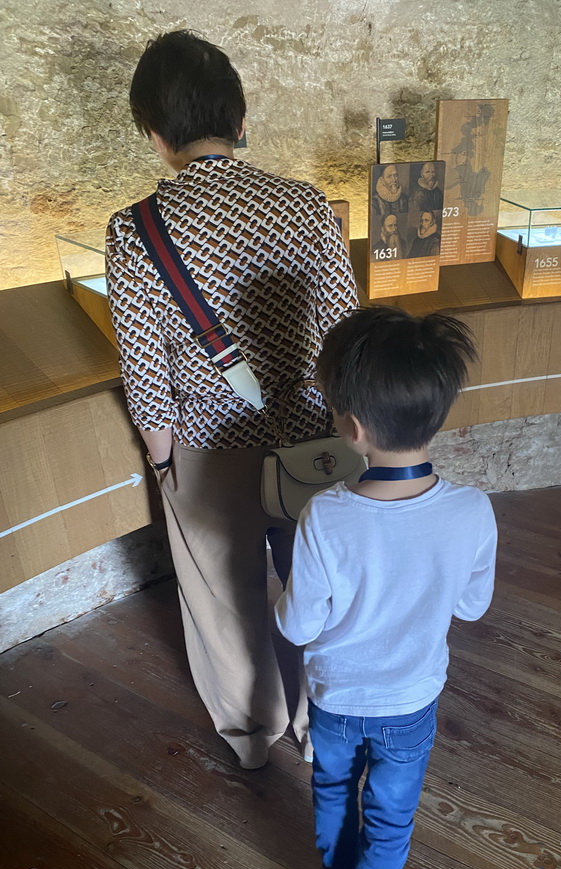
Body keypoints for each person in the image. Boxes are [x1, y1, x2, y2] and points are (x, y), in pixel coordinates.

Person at [106, 30, 358, 770]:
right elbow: (345, 338)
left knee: (225, 601)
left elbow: (146, 377)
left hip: (211, 448)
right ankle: (326, 721)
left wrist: (164, 466)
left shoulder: (135, 232)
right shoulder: (307, 206)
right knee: (324, 584)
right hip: (314, 430)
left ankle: (256, 732)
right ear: (242, 121)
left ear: (155, 137)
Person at [275, 307, 497, 869]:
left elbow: (296, 625)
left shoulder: (326, 517)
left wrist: (278, 583)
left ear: (352, 427)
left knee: (334, 794)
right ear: (438, 411)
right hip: (410, 706)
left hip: (337, 703)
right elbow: (471, 606)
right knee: (391, 824)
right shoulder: (472, 511)